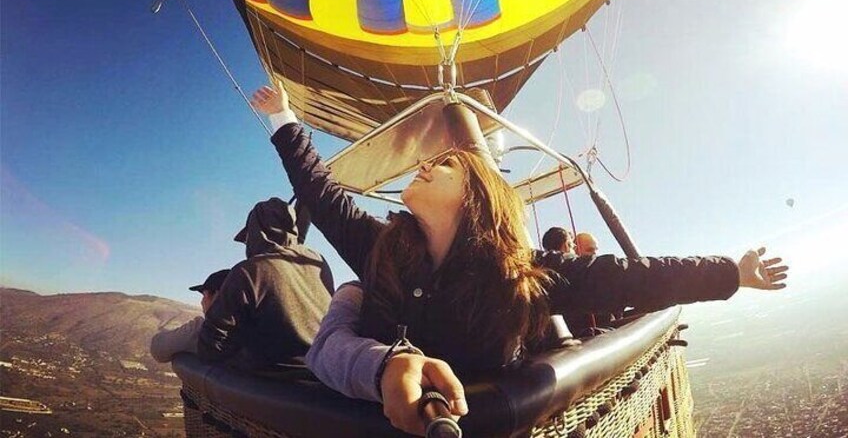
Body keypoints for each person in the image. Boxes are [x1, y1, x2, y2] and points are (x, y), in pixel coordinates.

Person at [251, 82, 789, 435]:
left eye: (441, 163)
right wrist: (284, 121)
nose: (421, 167)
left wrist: (732, 272)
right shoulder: (380, 248)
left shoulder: (524, 274)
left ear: (475, 194)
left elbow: (635, 279)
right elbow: (322, 196)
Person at [196, 197, 335, 370]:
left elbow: (211, 348)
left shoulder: (249, 271)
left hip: (274, 379)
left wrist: (210, 313)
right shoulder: (317, 261)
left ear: (256, 232)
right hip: (322, 372)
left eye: (247, 238)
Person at [150, 269, 230, 363]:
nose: (202, 302)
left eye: (204, 295)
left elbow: (158, 348)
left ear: (216, 295)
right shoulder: (249, 327)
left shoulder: (206, 330)